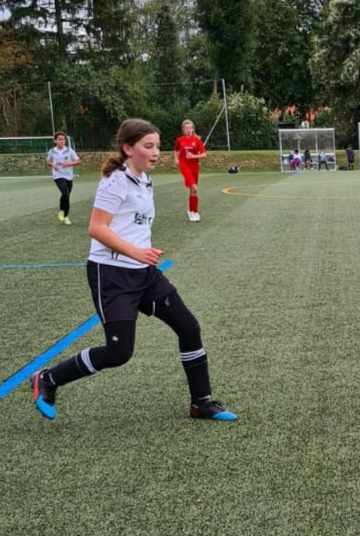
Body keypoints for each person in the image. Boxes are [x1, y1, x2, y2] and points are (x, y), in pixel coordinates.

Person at [30, 118, 237, 423]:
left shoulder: (145, 180)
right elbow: (96, 228)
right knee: (118, 353)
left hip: (144, 273)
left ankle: (201, 403)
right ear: (128, 148)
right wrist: (136, 251)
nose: (156, 152)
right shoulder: (115, 181)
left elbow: (131, 225)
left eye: (157, 146)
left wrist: (142, 253)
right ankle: (48, 379)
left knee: (189, 327)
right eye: (148, 146)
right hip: (112, 274)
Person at [174, 119, 207, 222]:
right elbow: (176, 149)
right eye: (186, 128)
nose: (188, 130)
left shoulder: (197, 140)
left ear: (193, 129)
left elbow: (204, 154)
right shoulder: (180, 140)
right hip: (184, 166)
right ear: (183, 130)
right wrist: (176, 159)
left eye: (190, 128)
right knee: (195, 188)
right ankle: (195, 212)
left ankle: (191, 210)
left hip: (194, 167)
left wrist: (194, 156)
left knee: (192, 190)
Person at [46, 131, 81, 225]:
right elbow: (48, 161)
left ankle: (61, 210)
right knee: (65, 193)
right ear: (55, 141)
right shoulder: (52, 151)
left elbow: (78, 161)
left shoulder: (69, 150)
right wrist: (52, 164)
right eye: (59, 139)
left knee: (66, 196)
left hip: (69, 176)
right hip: (58, 176)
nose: (62, 141)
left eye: (63, 140)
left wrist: (69, 163)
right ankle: (65, 217)